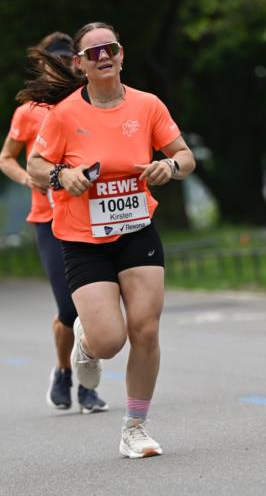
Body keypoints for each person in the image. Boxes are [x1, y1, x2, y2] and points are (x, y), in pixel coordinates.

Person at [26, 22, 195, 458]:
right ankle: (85, 342)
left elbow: (184, 155)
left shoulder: (148, 105)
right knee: (109, 341)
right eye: (93, 52)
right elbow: (36, 166)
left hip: (137, 230)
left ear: (122, 55)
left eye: (111, 49)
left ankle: (135, 427)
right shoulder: (64, 114)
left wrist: (169, 168)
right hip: (84, 238)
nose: (104, 57)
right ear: (80, 64)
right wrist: (64, 176)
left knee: (146, 328)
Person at [0, 31, 107, 414]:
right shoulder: (29, 111)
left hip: (93, 215)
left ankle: (88, 385)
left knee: (96, 308)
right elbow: (7, 158)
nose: (60, 65)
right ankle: (63, 370)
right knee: (68, 308)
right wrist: (28, 177)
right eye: (53, 59)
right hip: (49, 218)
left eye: (66, 58)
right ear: (43, 63)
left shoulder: (90, 102)